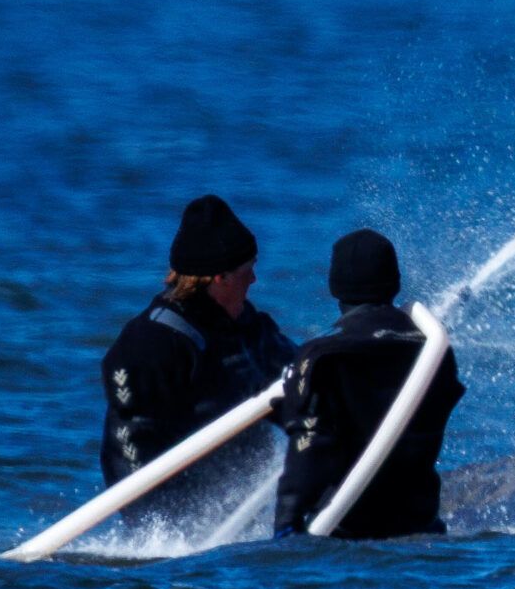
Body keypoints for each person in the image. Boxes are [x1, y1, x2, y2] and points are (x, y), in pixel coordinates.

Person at [100, 195, 297, 514]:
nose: (254, 279)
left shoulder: (250, 328)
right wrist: (158, 526)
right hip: (176, 513)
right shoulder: (154, 341)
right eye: (249, 270)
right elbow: (127, 443)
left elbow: (298, 382)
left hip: (242, 504)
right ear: (220, 277)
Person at [273, 229, 465, 539]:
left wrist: (285, 524)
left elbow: (309, 447)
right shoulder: (432, 349)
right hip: (420, 526)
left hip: (343, 531)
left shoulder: (321, 354)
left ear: (336, 287)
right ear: (394, 281)